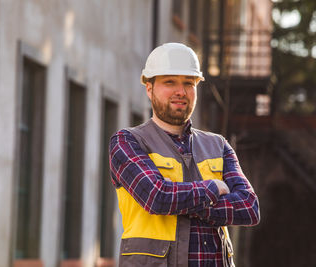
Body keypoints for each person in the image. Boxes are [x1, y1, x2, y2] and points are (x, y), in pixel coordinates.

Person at [109, 42, 260, 267]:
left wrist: (182, 199)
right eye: (170, 82)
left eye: (188, 83)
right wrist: (213, 188)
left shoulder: (218, 145)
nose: (181, 91)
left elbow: (249, 207)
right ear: (149, 88)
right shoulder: (127, 142)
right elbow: (157, 197)